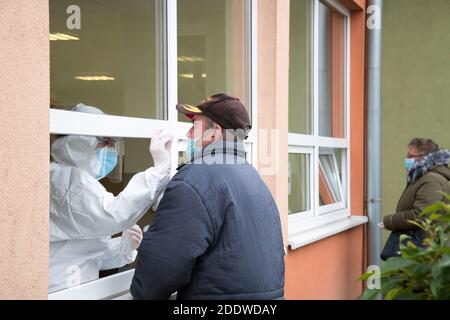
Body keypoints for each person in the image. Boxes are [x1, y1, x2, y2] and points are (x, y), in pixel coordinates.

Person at [130, 93, 285, 300]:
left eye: (196, 126)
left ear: (214, 134)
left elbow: (160, 269)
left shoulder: (193, 179)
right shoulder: (251, 175)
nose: (188, 132)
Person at [49, 103, 173, 293]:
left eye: (112, 143)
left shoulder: (76, 178)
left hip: (79, 286)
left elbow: (91, 253)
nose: (109, 149)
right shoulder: (66, 181)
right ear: (77, 142)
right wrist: (158, 171)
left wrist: (123, 248)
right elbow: (116, 214)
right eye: (103, 141)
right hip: (60, 287)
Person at [381, 138, 450, 259]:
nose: (407, 159)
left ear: (424, 158)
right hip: (420, 246)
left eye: (410, 155)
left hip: (424, 250)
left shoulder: (431, 180)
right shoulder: (422, 177)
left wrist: (389, 221)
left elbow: (421, 215)